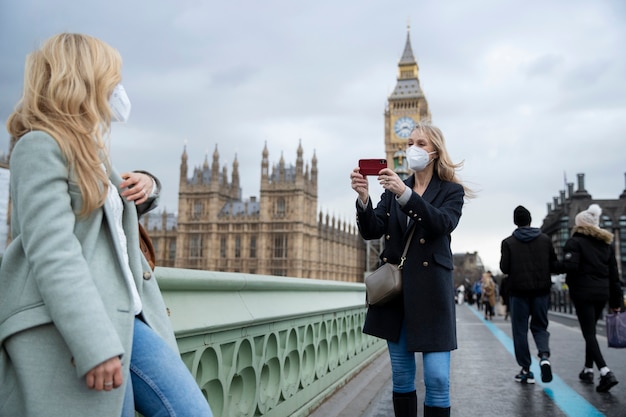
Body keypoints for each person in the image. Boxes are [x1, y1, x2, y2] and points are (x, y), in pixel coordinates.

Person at [0, 33, 213, 417]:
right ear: (84, 78)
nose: (117, 89)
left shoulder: (88, 149)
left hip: (126, 318)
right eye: (111, 77)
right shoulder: (37, 147)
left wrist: (149, 183)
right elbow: (53, 253)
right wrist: (94, 343)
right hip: (81, 324)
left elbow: (109, 216)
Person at [350, 121, 471, 417]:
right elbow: (372, 230)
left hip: (432, 293)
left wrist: (406, 194)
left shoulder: (450, 191)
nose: (412, 149)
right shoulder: (392, 190)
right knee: (402, 377)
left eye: (420, 144)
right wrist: (364, 198)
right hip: (397, 295)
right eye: (409, 143)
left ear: (434, 152)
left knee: (438, 379)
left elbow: (443, 224)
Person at [562, 204, 624, 392]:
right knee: (591, 331)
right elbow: (614, 276)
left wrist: (569, 281)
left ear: (579, 224)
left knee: (588, 333)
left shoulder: (575, 242)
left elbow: (570, 267)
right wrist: (616, 303)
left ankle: (605, 372)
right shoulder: (606, 245)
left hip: (583, 293)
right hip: (602, 293)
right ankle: (588, 369)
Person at [500, 205, 560, 384]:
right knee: (540, 326)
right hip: (541, 291)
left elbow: (504, 268)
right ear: (530, 220)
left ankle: (526, 369)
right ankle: (544, 356)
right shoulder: (545, 240)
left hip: (518, 292)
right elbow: (554, 264)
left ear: (515, 221)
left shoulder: (508, 242)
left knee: (520, 330)